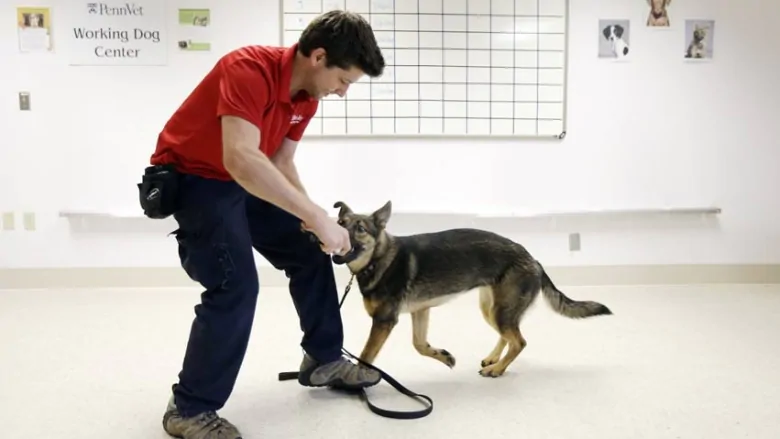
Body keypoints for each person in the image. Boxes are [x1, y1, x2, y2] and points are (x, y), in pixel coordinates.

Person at [146, 10, 386, 439]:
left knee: (310, 251)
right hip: (199, 178)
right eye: (344, 80)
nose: (343, 92)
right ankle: (189, 408)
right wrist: (315, 216)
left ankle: (323, 360)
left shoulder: (307, 97)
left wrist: (318, 223)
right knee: (234, 284)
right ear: (318, 57)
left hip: (244, 177)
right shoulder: (248, 69)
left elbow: (280, 162)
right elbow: (240, 157)